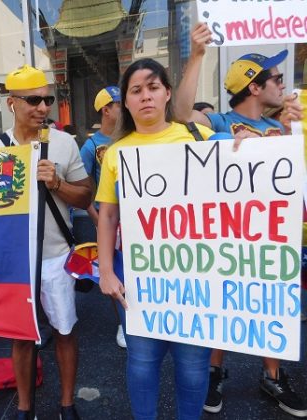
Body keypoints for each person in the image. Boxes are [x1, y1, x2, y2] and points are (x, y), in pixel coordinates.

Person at [175, 22, 307, 418]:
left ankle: (272, 375)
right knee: (223, 305)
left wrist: (291, 132)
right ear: (254, 86)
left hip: (270, 237)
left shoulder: (282, 127)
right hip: (226, 238)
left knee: (269, 306)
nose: (282, 85)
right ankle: (215, 372)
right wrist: (197, 55)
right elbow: (182, 115)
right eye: (276, 78)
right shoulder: (216, 124)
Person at [96, 57, 216, 419]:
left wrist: (244, 145)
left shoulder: (199, 137)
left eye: (152, 87)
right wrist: (105, 270)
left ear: (167, 93)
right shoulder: (116, 152)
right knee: (143, 360)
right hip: (137, 275)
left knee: (194, 364)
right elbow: (108, 214)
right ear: (126, 102)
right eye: (136, 90)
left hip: (197, 274)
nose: (145, 96)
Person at [0, 65, 92, 419]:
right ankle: (25, 408)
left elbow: (86, 196)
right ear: (11, 103)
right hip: (16, 261)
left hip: (56, 258)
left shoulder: (63, 142)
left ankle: (67, 403)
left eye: (47, 99)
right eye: (33, 100)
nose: (43, 107)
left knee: (64, 330)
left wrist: (58, 184)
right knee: (21, 336)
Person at [79, 87, 126, 349]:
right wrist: (96, 217)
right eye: (119, 104)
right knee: (115, 269)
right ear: (106, 109)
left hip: (135, 217)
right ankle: (123, 321)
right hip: (109, 217)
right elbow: (84, 186)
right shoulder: (91, 145)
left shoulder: (131, 137)